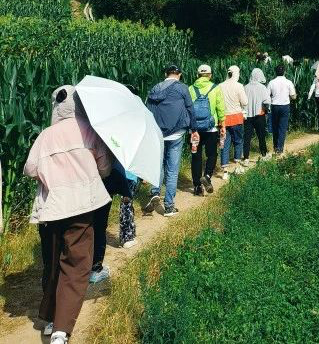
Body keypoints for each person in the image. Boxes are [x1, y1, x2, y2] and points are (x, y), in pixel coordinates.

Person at [24, 85, 112, 344]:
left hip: (52, 208)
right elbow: (105, 168)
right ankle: (61, 331)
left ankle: (51, 319)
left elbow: (30, 169)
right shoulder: (89, 130)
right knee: (75, 265)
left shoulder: (45, 135)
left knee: (52, 264)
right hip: (82, 207)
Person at [145, 64, 198, 216]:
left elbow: (147, 109)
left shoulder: (155, 88)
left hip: (158, 133)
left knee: (158, 165)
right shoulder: (182, 88)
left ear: (165, 74)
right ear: (179, 74)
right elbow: (190, 109)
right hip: (176, 133)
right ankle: (169, 206)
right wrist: (194, 129)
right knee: (172, 170)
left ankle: (155, 192)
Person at [90, 160, 138, 285]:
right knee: (99, 226)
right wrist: (125, 190)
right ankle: (95, 268)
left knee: (85, 226)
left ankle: (79, 265)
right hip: (103, 184)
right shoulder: (109, 149)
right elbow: (106, 167)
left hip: (79, 186)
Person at [189, 65, 226, 196]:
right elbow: (220, 107)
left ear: (197, 75)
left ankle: (197, 186)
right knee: (212, 154)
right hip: (211, 128)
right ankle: (207, 176)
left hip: (195, 130)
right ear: (210, 75)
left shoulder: (190, 89)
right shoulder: (215, 88)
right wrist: (223, 124)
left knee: (196, 156)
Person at [217, 65, 248, 178]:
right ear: (236, 73)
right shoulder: (239, 86)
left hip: (224, 119)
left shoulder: (220, 86)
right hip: (236, 118)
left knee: (224, 144)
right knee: (238, 142)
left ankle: (225, 172)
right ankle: (237, 166)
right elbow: (245, 102)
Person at [267, 65, 297, 155]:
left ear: (275, 72)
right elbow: (293, 96)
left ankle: (275, 146)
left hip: (274, 106)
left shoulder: (271, 82)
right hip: (285, 106)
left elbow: (267, 96)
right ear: (284, 72)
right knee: (282, 128)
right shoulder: (289, 82)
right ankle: (280, 149)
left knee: (275, 127)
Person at [244, 68, 272, 161]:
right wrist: (266, 109)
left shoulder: (245, 87)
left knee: (247, 137)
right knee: (261, 135)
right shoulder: (262, 87)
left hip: (248, 115)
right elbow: (267, 101)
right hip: (260, 114)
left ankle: (246, 157)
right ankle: (264, 154)